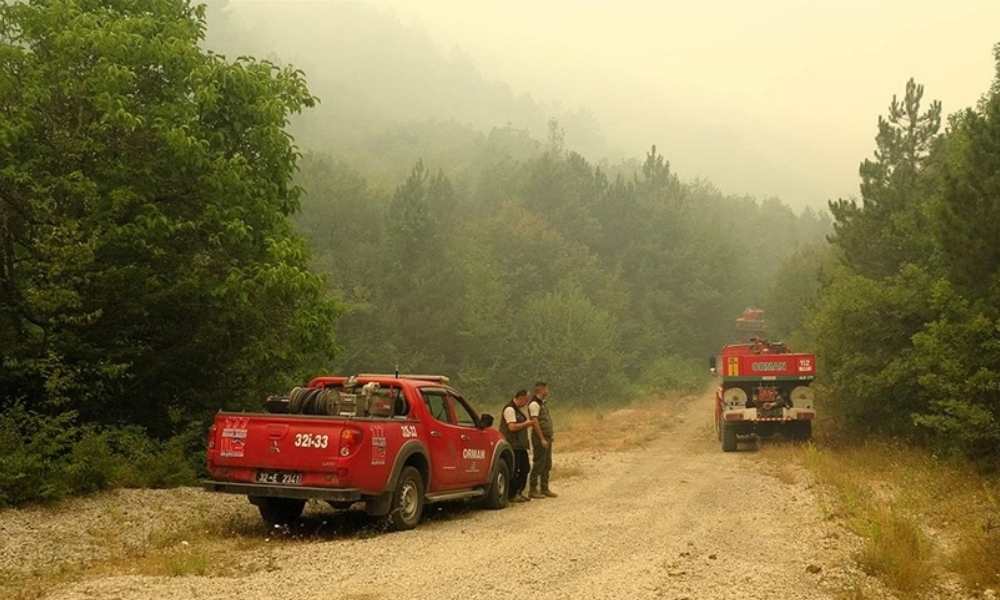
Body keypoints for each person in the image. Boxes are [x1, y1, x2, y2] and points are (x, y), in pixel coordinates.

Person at [498, 389, 546, 502]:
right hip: (513, 445)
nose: (526, 403)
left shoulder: (518, 410)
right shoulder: (509, 409)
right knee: (516, 470)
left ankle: (518, 492)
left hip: (520, 446)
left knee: (525, 468)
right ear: (521, 398)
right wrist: (527, 423)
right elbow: (512, 427)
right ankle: (512, 494)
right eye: (526, 400)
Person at [528, 381, 557, 498]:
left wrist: (550, 435)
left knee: (547, 464)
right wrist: (542, 438)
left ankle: (545, 488)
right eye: (546, 389)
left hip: (547, 437)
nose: (548, 391)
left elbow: (545, 421)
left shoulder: (543, 403)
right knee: (539, 463)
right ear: (541, 390)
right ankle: (533, 489)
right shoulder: (534, 404)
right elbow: (535, 422)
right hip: (540, 438)